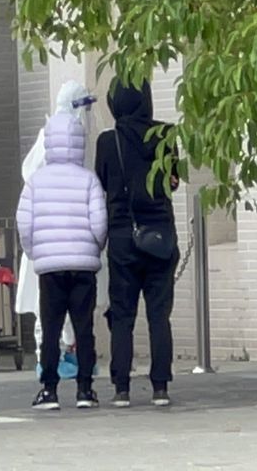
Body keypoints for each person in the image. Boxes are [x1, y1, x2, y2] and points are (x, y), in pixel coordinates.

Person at [94, 79, 180, 408]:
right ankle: (161, 386)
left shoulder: (108, 142)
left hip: (122, 236)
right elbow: (173, 181)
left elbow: (103, 181)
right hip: (160, 235)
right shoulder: (166, 136)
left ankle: (121, 388)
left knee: (122, 315)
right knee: (159, 314)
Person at [17, 112, 107, 411]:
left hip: (50, 267)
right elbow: (99, 224)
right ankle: (85, 389)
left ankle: (49, 389)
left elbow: (24, 224)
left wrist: (35, 252)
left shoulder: (35, 182)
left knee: (51, 328)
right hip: (83, 267)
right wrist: (94, 249)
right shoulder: (89, 180)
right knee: (84, 329)